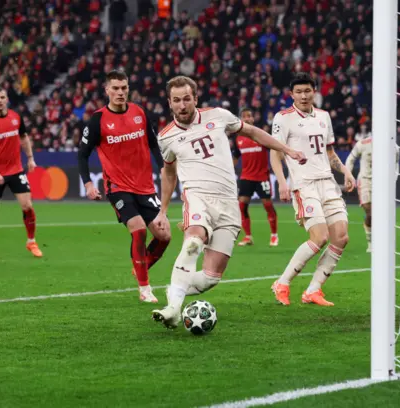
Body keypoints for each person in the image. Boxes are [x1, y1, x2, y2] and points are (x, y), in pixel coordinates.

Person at [151, 76, 306, 329]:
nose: (182, 105)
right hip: (197, 196)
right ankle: (173, 309)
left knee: (211, 278)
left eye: (187, 99)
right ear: (169, 103)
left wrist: (287, 150)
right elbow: (168, 173)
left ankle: (175, 289)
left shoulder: (218, 116)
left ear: (195, 99)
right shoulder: (166, 137)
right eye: (176, 100)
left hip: (228, 204)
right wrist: (164, 210)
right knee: (193, 242)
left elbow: (253, 132)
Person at [78, 70, 171, 303]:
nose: (120, 92)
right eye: (115, 88)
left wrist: (163, 168)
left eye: (124, 88)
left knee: (165, 236)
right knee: (138, 229)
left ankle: (140, 265)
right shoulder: (98, 120)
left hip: (146, 187)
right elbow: (82, 154)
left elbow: (153, 144)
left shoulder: (139, 113)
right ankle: (144, 288)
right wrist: (88, 183)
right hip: (118, 187)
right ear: (107, 90)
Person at [270, 73, 356, 307]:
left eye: (307, 91)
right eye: (298, 92)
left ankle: (313, 290)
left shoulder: (323, 117)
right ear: (292, 95)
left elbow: (329, 153)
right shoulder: (283, 118)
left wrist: (346, 171)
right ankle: (282, 283)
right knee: (320, 237)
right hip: (303, 184)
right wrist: (282, 181)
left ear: (314, 91)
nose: (304, 95)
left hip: (327, 182)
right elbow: (275, 153)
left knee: (341, 237)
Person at [0, 86, 42, 260]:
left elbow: (24, 138)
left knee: (27, 206)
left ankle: (31, 242)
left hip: (16, 170)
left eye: (2, 97)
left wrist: (30, 158)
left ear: (7, 99)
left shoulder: (16, 117)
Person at [231, 107, 279, 247]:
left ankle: (274, 235)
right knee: (242, 206)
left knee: (268, 205)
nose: (247, 118)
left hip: (262, 177)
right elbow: (235, 157)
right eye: (244, 116)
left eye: (249, 116)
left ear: (253, 118)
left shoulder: (261, 135)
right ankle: (248, 237)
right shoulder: (238, 138)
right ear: (241, 119)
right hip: (246, 177)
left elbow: (275, 150)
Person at [345, 136, 400, 252]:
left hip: (382, 182)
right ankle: (371, 243)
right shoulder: (363, 144)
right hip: (365, 181)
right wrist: (348, 176)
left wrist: (393, 180)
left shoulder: (393, 147)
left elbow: (396, 165)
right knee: (370, 212)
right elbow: (350, 159)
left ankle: (380, 241)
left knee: (380, 213)